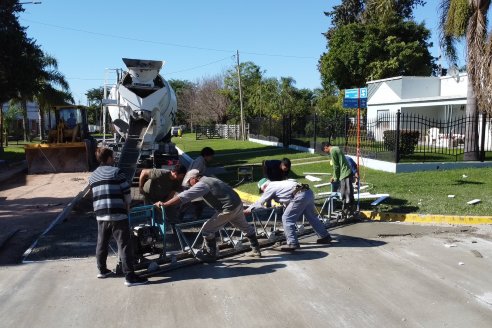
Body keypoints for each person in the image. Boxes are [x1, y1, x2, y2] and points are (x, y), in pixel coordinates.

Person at [154, 169, 261, 262]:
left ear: (194, 179)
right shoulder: (211, 180)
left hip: (228, 208)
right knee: (245, 227)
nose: (190, 186)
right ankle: (256, 250)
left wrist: (165, 204)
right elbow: (191, 198)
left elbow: (185, 196)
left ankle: (211, 255)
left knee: (207, 229)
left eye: (189, 184)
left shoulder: (202, 184)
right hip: (237, 204)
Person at [88, 147, 148, 287]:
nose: (114, 158)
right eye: (113, 156)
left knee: (102, 242)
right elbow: (127, 193)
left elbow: (94, 193)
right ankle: (130, 277)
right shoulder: (116, 172)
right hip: (117, 213)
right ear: (108, 158)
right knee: (124, 245)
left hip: (100, 214)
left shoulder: (93, 175)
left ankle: (102, 270)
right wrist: (128, 206)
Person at [245, 178, 332, 251]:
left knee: (286, 218)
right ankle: (325, 236)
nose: (263, 192)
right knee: (311, 217)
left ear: (264, 186)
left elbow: (260, 202)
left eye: (262, 190)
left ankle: (292, 243)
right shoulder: (278, 184)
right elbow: (287, 198)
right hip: (308, 192)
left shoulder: (269, 187)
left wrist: (248, 210)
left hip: (299, 195)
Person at [322, 142, 355, 216]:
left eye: (326, 151)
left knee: (345, 193)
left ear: (326, 147)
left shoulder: (332, 151)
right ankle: (349, 210)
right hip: (347, 172)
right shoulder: (336, 148)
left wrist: (335, 177)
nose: (327, 153)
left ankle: (347, 210)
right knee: (348, 192)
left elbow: (336, 166)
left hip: (344, 173)